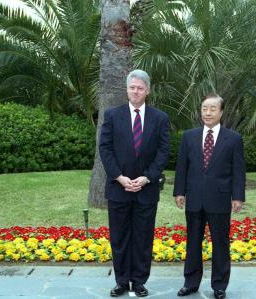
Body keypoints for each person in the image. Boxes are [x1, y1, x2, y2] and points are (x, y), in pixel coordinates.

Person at [99, 69, 170, 297]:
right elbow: (105, 148)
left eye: (140, 88)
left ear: (147, 90)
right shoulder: (112, 115)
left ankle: (139, 282)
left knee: (142, 238)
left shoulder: (160, 118)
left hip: (146, 189)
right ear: (127, 89)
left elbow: (163, 151)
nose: (135, 91)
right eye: (132, 87)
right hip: (118, 188)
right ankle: (121, 282)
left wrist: (147, 177)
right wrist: (119, 177)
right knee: (119, 237)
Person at [173, 93, 246, 299]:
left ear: (221, 112)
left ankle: (219, 285)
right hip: (194, 198)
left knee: (220, 243)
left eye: (213, 108)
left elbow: (238, 171)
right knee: (193, 242)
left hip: (220, 199)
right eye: (205, 108)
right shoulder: (189, 136)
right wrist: (179, 191)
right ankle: (190, 283)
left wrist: (238, 196)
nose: (208, 112)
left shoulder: (233, 139)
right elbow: (182, 167)